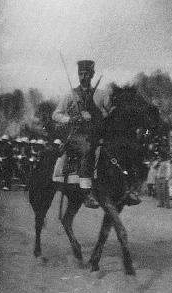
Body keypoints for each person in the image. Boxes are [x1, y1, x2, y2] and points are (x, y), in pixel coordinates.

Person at [52, 60, 103, 209]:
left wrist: (95, 116)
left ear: (92, 75)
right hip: (76, 136)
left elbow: (105, 114)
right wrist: (71, 119)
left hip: (94, 133)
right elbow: (56, 114)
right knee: (87, 149)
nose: (84, 76)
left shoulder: (99, 94)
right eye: (81, 73)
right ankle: (87, 192)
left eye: (87, 73)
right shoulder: (72, 94)